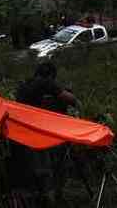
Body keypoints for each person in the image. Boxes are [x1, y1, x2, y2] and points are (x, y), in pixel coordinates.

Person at [14, 62, 79, 203]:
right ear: (50, 76)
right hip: (39, 132)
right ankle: (51, 197)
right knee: (47, 167)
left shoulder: (24, 85)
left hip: (23, 132)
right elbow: (71, 100)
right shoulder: (46, 83)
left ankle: (42, 195)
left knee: (38, 168)